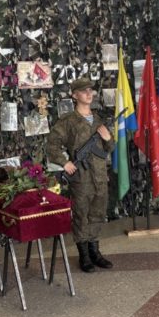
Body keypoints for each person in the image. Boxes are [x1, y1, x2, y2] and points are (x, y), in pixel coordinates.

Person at [47, 77, 114, 273]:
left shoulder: (98, 119)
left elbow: (110, 148)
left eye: (90, 90)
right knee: (81, 216)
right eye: (84, 91)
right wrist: (65, 163)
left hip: (100, 176)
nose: (88, 94)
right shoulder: (68, 121)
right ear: (74, 95)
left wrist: (108, 138)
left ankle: (95, 252)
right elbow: (52, 145)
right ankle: (84, 256)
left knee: (97, 214)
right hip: (82, 178)